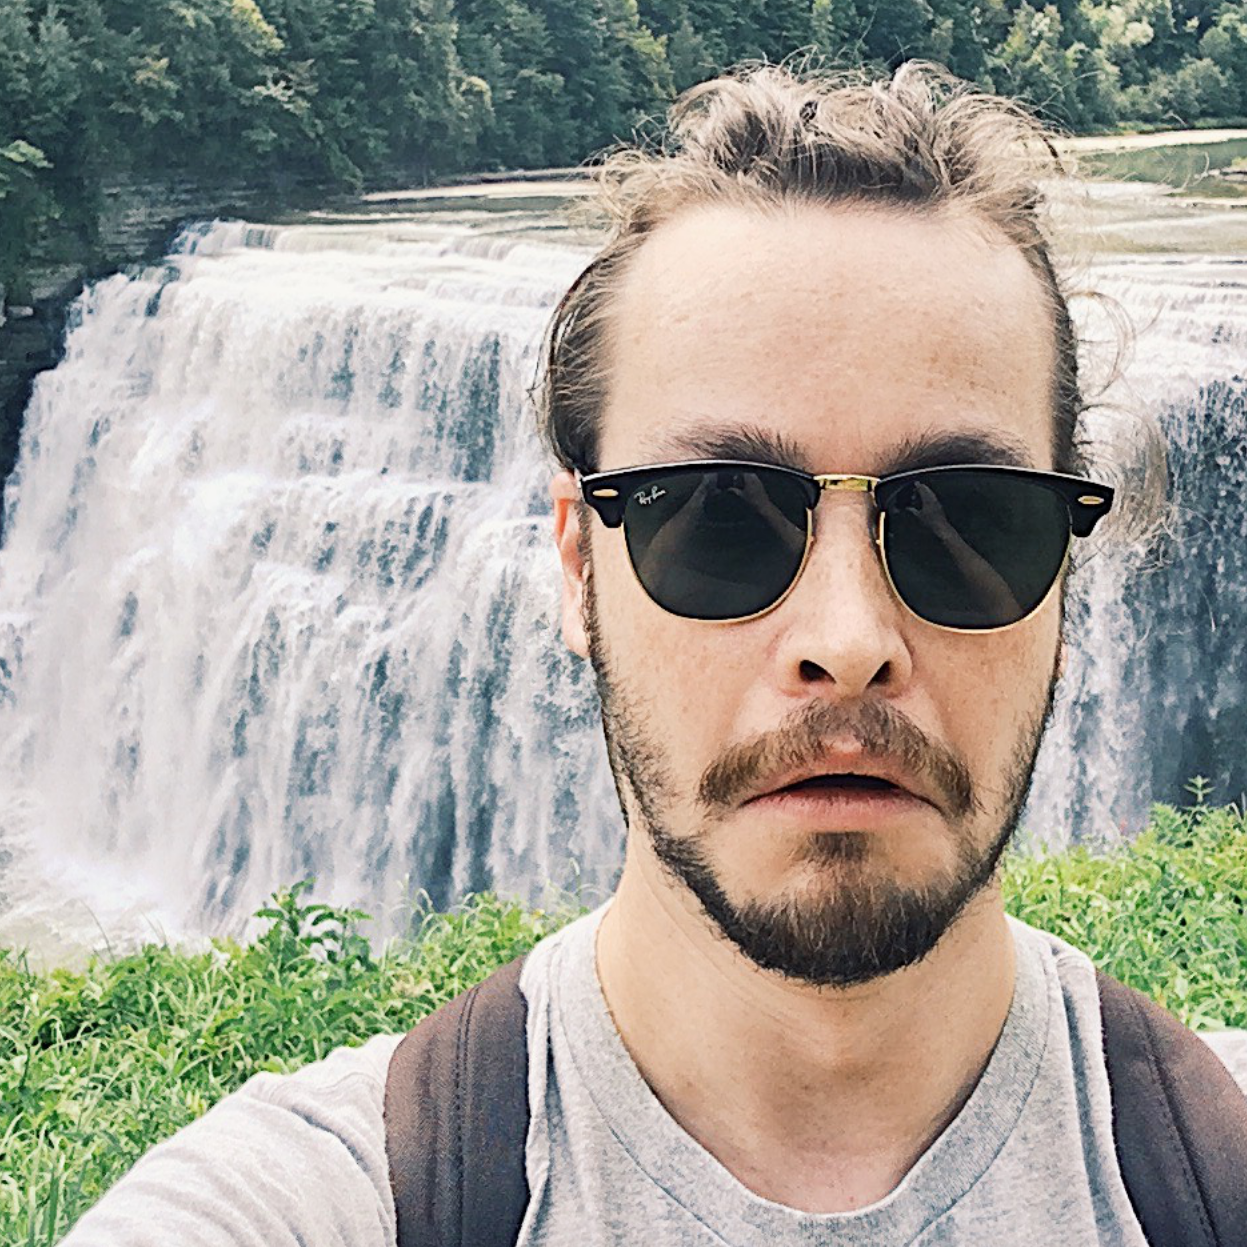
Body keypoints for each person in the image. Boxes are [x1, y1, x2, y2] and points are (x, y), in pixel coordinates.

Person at [60, 61, 1247, 1246]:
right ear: (578, 564)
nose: (845, 642)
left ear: (1066, 568)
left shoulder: (1218, 1159)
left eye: (969, 516)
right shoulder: (325, 1197)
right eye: (717, 516)